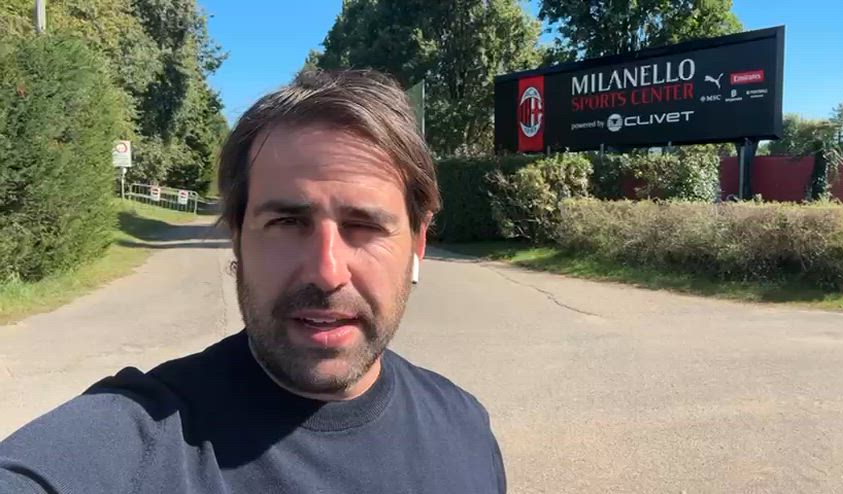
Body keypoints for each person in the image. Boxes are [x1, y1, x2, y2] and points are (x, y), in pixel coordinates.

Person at [0, 69, 506, 494]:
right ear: (237, 237)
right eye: (287, 222)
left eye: (364, 226)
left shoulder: (465, 428)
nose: (327, 271)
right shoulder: (136, 446)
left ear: (417, 243)